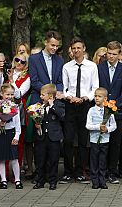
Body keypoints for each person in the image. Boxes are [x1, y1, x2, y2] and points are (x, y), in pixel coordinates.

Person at [62, 37, 99, 184]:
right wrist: (70, 97)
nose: (76, 50)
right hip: (70, 105)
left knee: (83, 141)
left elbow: (95, 87)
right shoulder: (67, 67)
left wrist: (84, 98)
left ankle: (80, 171)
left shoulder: (92, 66)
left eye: (79, 48)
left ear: (84, 48)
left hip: (85, 105)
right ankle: (67, 172)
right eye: (74, 48)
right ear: (71, 50)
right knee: (68, 139)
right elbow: (64, 87)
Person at [97, 41, 122, 184]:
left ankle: (112, 171)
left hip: (118, 111)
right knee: (102, 142)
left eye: (114, 54)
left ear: (119, 54)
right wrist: (104, 104)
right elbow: (97, 86)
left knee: (115, 143)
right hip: (101, 110)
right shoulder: (99, 68)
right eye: (109, 53)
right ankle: (102, 171)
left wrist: (115, 105)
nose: (111, 56)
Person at [33, 84, 65, 190]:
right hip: (42, 136)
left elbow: (62, 115)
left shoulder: (58, 105)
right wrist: (37, 124)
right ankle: (40, 180)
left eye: (43, 95)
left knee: (53, 160)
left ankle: (53, 181)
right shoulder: (39, 106)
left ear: (50, 96)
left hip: (54, 137)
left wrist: (52, 106)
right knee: (41, 159)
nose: (41, 97)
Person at [0, 83, 23, 190]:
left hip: (11, 133)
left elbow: (17, 124)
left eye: (11, 94)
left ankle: (18, 180)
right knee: (1, 158)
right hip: (1, 133)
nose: (9, 97)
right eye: (7, 94)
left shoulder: (15, 107)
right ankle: (3, 180)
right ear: (2, 94)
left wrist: (17, 137)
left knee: (14, 158)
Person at [86, 87, 117, 189]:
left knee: (103, 160)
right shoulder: (91, 110)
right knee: (94, 160)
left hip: (105, 140)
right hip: (94, 140)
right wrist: (98, 127)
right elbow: (88, 125)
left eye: (99, 96)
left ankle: (102, 180)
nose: (96, 98)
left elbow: (114, 125)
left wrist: (107, 129)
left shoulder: (109, 111)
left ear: (105, 98)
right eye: (95, 96)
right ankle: (95, 181)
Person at [8, 54, 31, 168]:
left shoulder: (27, 77)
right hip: (4, 107)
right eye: (17, 60)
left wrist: (12, 81)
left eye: (22, 62)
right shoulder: (7, 72)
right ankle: (4, 172)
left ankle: (17, 169)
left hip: (19, 108)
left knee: (19, 140)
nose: (19, 63)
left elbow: (19, 94)